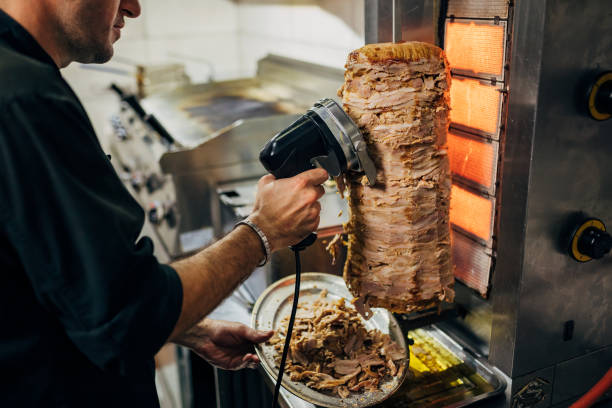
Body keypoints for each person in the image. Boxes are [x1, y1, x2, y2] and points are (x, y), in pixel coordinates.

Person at [0, 0, 329, 406]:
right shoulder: (24, 97)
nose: (134, 8)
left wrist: (184, 325)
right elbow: (125, 318)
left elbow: (59, 279)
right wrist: (263, 229)